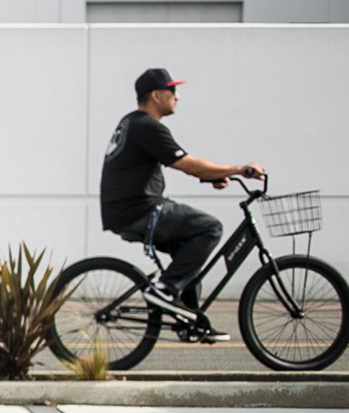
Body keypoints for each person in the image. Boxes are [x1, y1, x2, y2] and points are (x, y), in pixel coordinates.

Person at [98, 68, 263, 342]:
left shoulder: (132, 122)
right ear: (155, 95)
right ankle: (163, 290)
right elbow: (186, 164)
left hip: (128, 209)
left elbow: (171, 165)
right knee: (209, 228)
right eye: (172, 91)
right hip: (140, 210)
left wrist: (211, 176)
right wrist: (237, 169)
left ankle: (190, 319)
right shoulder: (146, 126)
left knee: (188, 248)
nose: (178, 97)